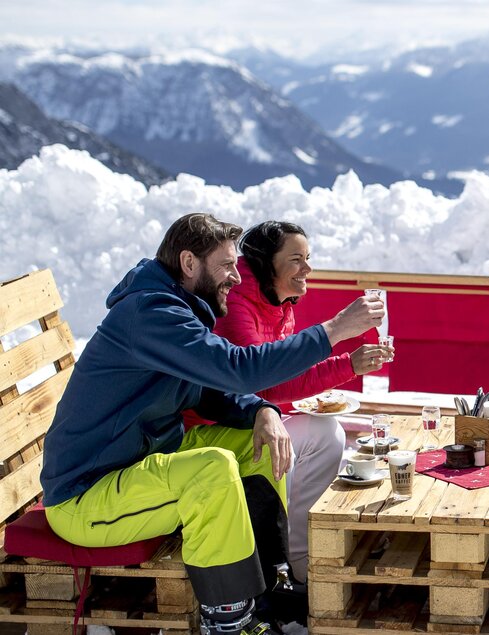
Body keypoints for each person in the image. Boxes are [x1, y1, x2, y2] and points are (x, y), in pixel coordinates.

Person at [40, 213, 385, 635]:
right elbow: (237, 368)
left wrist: (260, 412)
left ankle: (269, 578)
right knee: (213, 469)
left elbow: (209, 389)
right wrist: (333, 330)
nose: (236, 279)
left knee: (252, 443)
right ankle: (228, 619)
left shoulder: (175, 310)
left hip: (138, 465)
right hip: (86, 497)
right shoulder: (150, 315)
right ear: (189, 263)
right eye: (226, 267)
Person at [208, 220, 391, 585]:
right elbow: (266, 379)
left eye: (308, 258)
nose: (307, 269)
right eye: (296, 259)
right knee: (321, 434)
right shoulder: (236, 307)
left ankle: (302, 549)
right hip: (219, 426)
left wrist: (349, 364)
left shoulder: (279, 300)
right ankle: (297, 560)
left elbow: (286, 372)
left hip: (257, 418)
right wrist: (346, 363)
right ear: (265, 264)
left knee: (326, 431)